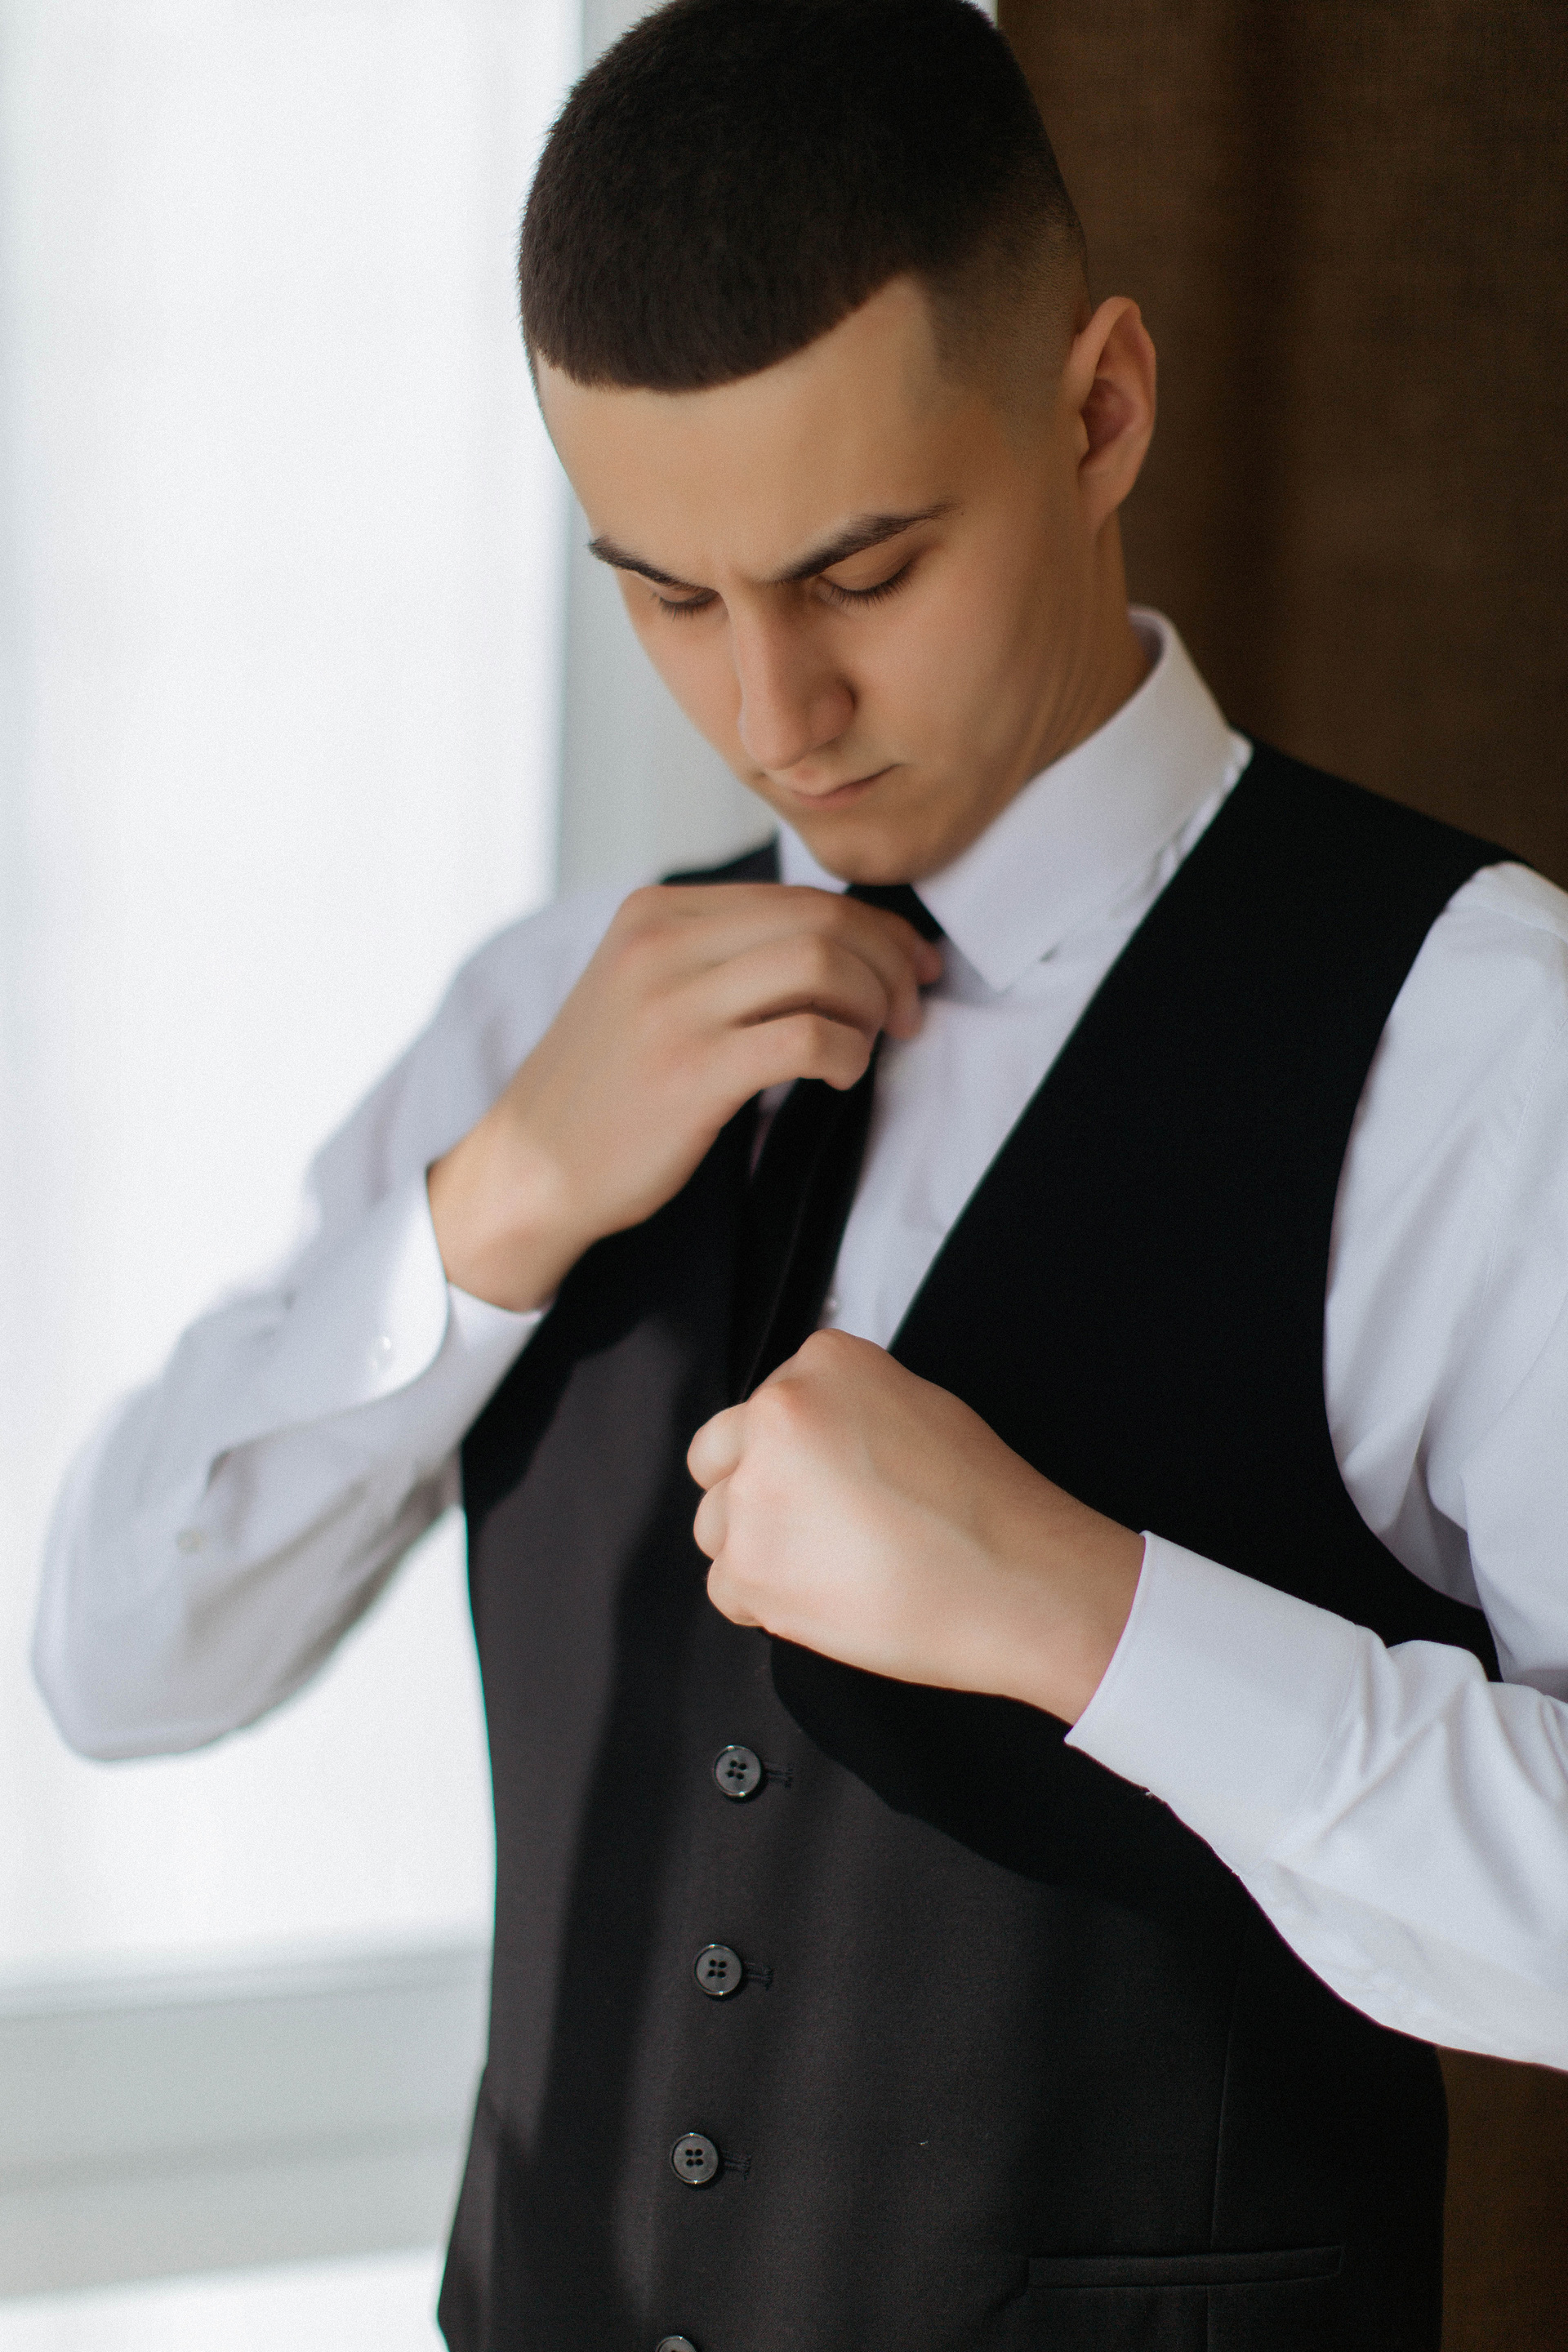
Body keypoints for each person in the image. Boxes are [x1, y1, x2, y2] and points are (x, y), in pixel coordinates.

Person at [33, 1, 1568, 2345]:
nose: (770, 715)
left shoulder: (1477, 1039)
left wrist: (1088, 1615)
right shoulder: (540, 1013)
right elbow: (118, 1665)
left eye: (860, 571)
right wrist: (486, 1212)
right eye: (667, 592)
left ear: (1100, 412)